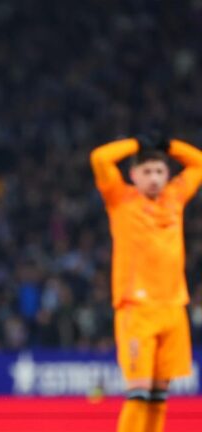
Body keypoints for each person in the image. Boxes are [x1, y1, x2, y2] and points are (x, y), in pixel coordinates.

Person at [90, 133, 202, 432]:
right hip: (137, 310)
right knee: (138, 394)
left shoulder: (174, 199)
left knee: (158, 397)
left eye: (159, 171)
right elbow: (100, 158)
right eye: (147, 172)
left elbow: (199, 164)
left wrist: (171, 146)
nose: (154, 178)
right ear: (133, 175)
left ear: (167, 175)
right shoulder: (120, 200)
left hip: (173, 308)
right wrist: (136, 144)